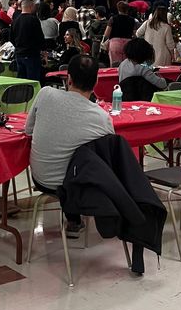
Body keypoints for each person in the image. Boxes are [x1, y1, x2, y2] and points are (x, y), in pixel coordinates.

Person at [25, 54, 114, 237]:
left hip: (40, 177)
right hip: (77, 185)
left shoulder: (45, 93)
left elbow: (28, 130)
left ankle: (73, 218)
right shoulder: (102, 118)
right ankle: (74, 218)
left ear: (68, 78)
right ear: (96, 81)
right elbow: (107, 158)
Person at [11, 0, 44, 80]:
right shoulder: (34, 20)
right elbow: (39, 37)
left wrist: (18, 46)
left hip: (19, 54)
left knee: (21, 81)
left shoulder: (15, 21)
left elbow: (11, 38)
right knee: (33, 81)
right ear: (31, 6)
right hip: (31, 55)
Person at [103, 1, 135, 66]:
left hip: (115, 44)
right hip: (128, 44)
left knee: (115, 66)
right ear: (127, 9)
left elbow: (106, 34)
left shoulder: (112, 19)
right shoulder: (133, 20)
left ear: (118, 9)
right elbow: (135, 34)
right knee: (127, 66)